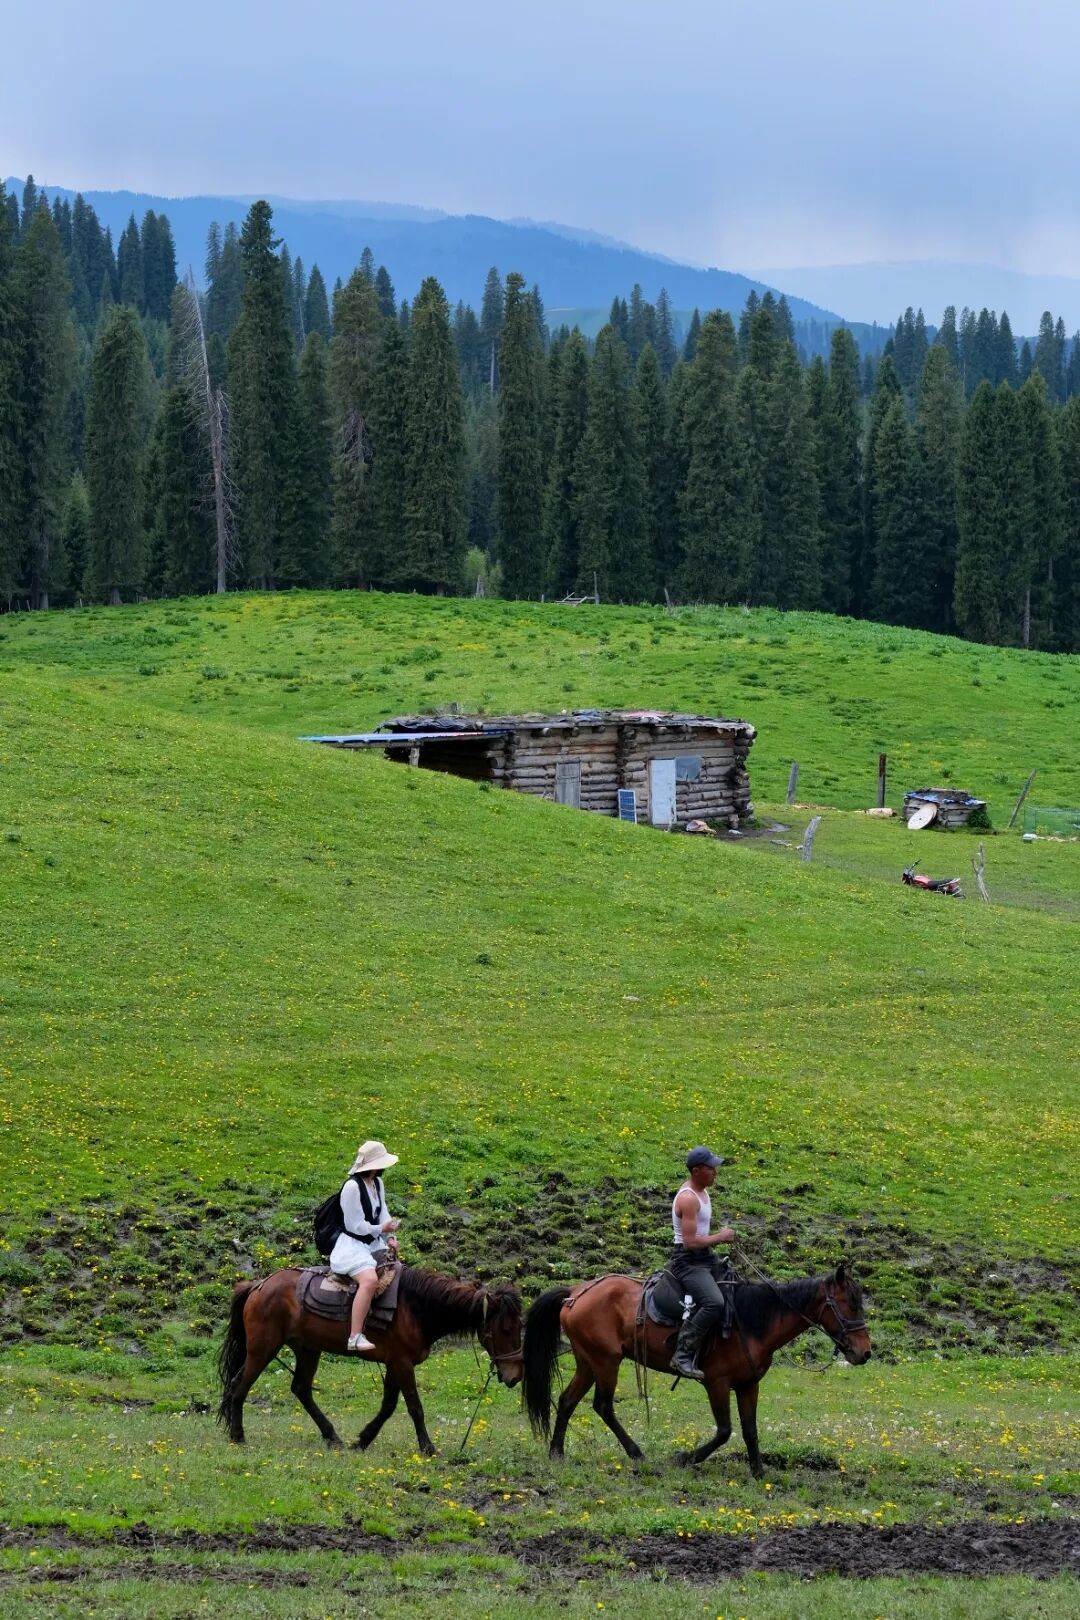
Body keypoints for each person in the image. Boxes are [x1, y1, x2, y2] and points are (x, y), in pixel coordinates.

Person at [668, 1146, 736, 1382]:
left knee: (734, 1285)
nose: (715, 1172)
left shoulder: (703, 1192)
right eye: (711, 1168)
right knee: (713, 1302)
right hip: (687, 1261)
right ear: (696, 1171)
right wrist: (720, 1237)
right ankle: (682, 1354)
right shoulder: (688, 1198)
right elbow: (688, 1242)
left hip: (704, 1256)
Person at [328, 1140, 401, 1353]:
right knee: (369, 1281)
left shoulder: (377, 1184)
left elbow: (383, 1211)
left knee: (398, 1271)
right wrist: (381, 1228)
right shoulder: (351, 1187)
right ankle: (355, 1336)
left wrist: (390, 1236)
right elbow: (355, 1225)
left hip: (373, 1242)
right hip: (352, 1245)